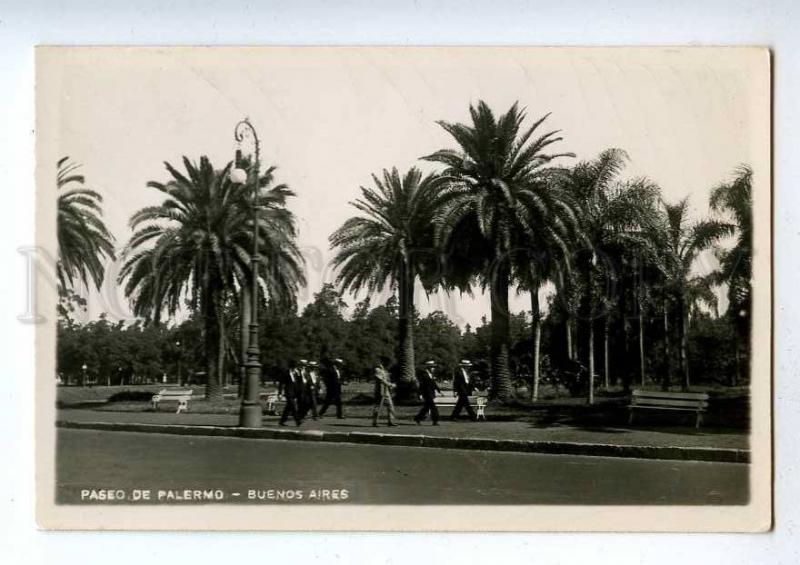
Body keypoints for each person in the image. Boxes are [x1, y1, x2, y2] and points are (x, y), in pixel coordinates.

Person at [414, 360, 441, 425]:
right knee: (433, 407)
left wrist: (438, 390)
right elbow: (422, 385)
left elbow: (433, 383)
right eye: (432, 367)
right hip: (427, 393)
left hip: (431, 393)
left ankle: (418, 418)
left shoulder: (430, 374)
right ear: (429, 367)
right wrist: (420, 393)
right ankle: (435, 420)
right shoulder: (424, 375)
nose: (433, 368)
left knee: (426, 408)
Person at [371, 357, 397, 427]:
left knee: (390, 406)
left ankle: (391, 421)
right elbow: (381, 380)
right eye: (388, 362)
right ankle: (375, 421)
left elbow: (387, 378)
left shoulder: (384, 370)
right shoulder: (378, 369)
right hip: (380, 391)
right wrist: (390, 384)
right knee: (378, 406)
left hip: (386, 391)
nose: (389, 364)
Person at [279, 362, 303, 427]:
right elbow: (281, 383)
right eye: (293, 368)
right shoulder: (285, 373)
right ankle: (298, 421)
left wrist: (298, 374)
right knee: (293, 406)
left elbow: (298, 382)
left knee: (288, 408)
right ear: (290, 367)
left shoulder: (296, 373)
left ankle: (282, 421)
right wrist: (280, 393)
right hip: (288, 392)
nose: (294, 369)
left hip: (294, 392)